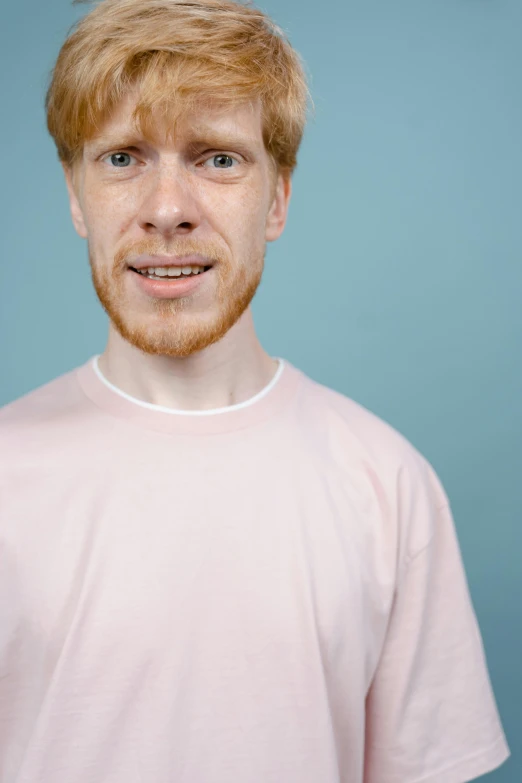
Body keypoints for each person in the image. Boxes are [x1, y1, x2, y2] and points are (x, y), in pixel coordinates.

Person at [0, 0, 511, 780]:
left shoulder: (388, 483)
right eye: (123, 157)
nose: (167, 210)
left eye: (217, 158)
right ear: (75, 195)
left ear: (277, 199)